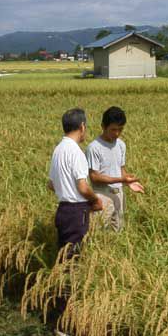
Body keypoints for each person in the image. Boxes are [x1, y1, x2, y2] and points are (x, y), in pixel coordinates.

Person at [48, 108, 103, 259]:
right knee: (74, 260)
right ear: (82, 126)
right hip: (77, 213)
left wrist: (65, 191)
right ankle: (68, 283)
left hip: (62, 211)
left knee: (63, 258)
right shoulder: (76, 152)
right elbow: (83, 187)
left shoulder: (58, 150)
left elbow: (51, 184)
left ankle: (60, 282)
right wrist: (95, 200)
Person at [86, 106, 144, 232]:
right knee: (98, 232)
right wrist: (120, 179)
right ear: (103, 126)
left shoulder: (121, 145)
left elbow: (121, 169)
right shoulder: (94, 148)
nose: (117, 134)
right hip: (102, 195)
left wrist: (128, 181)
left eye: (120, 129)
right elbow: (94, 177)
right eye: (113, 129)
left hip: (119, 194)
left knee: (118, 231)